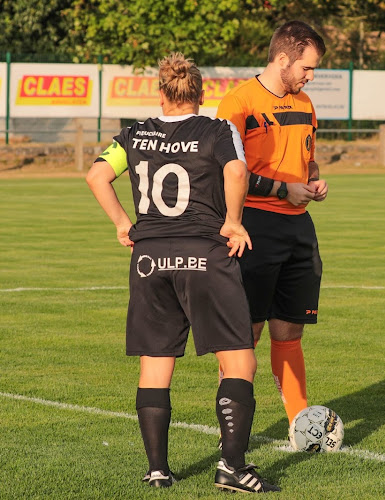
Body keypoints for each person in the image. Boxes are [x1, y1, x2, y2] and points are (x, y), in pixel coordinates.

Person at [86, 52, 280, 493]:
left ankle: (157, 469)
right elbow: (236, 169)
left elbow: (96, 176)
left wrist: (122, 223)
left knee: (156, 363)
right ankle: (231, 468)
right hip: (204, 253)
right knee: (239, 357)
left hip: (150, 257)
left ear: (161, 92)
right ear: (200, 92)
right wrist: (233, 220)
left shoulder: (133, 135)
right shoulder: (216, 129)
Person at [216, 20, 328, 426]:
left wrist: (313, 180)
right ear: (283, 59)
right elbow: (226, 171)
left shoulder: (305, 104)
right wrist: (282, 190)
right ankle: (232, 431)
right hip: (253, 227)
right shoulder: (238, 104)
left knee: (290, 331)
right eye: (306, 68)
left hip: (299, 229)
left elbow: (307, 157)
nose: (310, 77)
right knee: (246, 334)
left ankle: (301, 424)